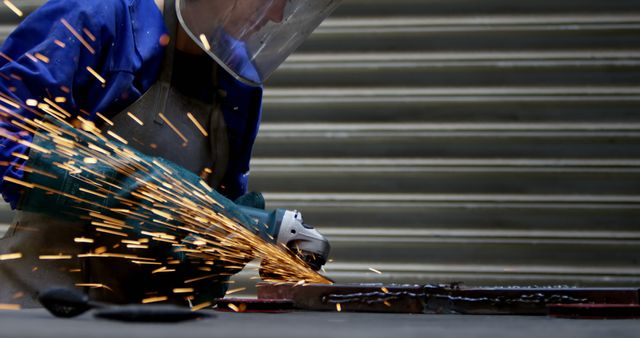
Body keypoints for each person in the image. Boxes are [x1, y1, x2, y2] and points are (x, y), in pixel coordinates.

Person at [0, 0, 341, 307]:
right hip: (38, 306)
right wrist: (155, 197)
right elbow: (8, 139)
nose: (278, 15)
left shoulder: (236, 79)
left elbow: (215, 211)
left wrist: (236, 237)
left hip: (155, 320)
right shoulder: (100, 17)